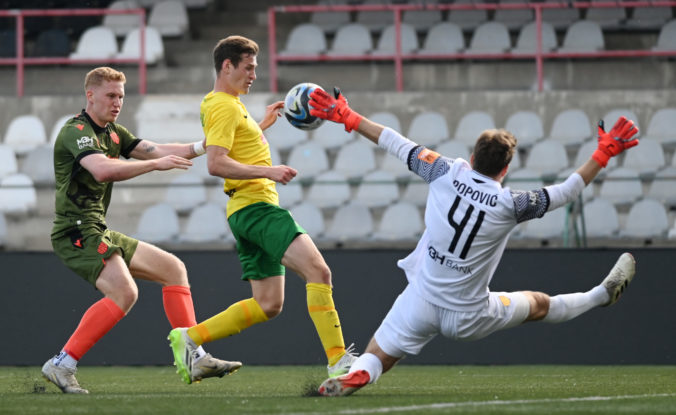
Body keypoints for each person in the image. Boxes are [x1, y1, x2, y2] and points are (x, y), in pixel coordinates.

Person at [308, 87, 639, 397]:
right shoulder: (512, 204)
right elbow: (567, 191)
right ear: (505, 168)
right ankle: (599, 296)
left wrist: (350, 118)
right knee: (538, 304)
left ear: (472, 155)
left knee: (378, 353)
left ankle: (362, 373)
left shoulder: (444, 171)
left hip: (421, 300)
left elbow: (394, 142)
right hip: (470, 314)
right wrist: (604, 152)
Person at [167, 36, 356, 385]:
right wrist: (270, 171)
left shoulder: (226, 103)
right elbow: (216, 163)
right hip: (256, 207)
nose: (254, 74)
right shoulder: (224, 105)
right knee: (319, 272)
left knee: (268, 303)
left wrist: (260, 126)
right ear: (227, 66)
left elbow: (231, 145)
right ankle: (339, 362)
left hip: (245, 210)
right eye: (248, 67)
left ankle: (189, 338)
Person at [42, 67, 240, 394]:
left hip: (97, 228)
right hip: (74, 230)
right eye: (110, 95)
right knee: (125, 292)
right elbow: (103, 170)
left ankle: (194, 354)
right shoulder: (75, 130)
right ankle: (63, 363)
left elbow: (159, 149)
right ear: (90, 95)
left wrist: (208, 145)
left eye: (121, 95)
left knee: (173, 269)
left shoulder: (114, 133)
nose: (117, 101)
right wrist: (153, 165)